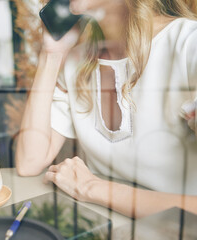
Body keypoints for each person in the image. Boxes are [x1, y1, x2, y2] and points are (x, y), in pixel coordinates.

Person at [15, 0, 197, 219]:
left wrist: (94, 188)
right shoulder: (76, 62)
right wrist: (50, 56)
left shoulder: (189, 44)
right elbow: (29, 162)